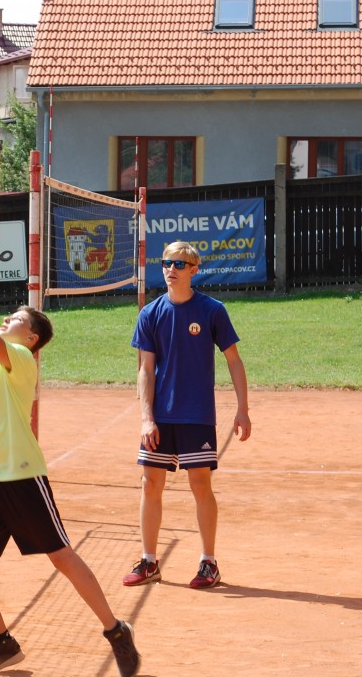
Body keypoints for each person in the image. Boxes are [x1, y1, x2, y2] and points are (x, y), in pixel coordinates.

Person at [0, 248, 141, 677]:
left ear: (31, 338)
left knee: (61, 557)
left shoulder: (22, 359)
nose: (9, 318)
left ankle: (115, 630)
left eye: (17, 318)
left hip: (23, 476)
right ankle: (2, 644)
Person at [122, 241, 251, 590]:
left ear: (194, 270)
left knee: (200, 485)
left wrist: (242, 409)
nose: (171, 269)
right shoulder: (150, 314)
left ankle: (209, 562)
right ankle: (149, 561)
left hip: (196, 414)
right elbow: (145, 369)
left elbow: (234, 360)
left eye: (179, 264)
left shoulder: (212, 310)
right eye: (167, 263)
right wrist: (146, 417)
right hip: (161, 415)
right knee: (150, 483)